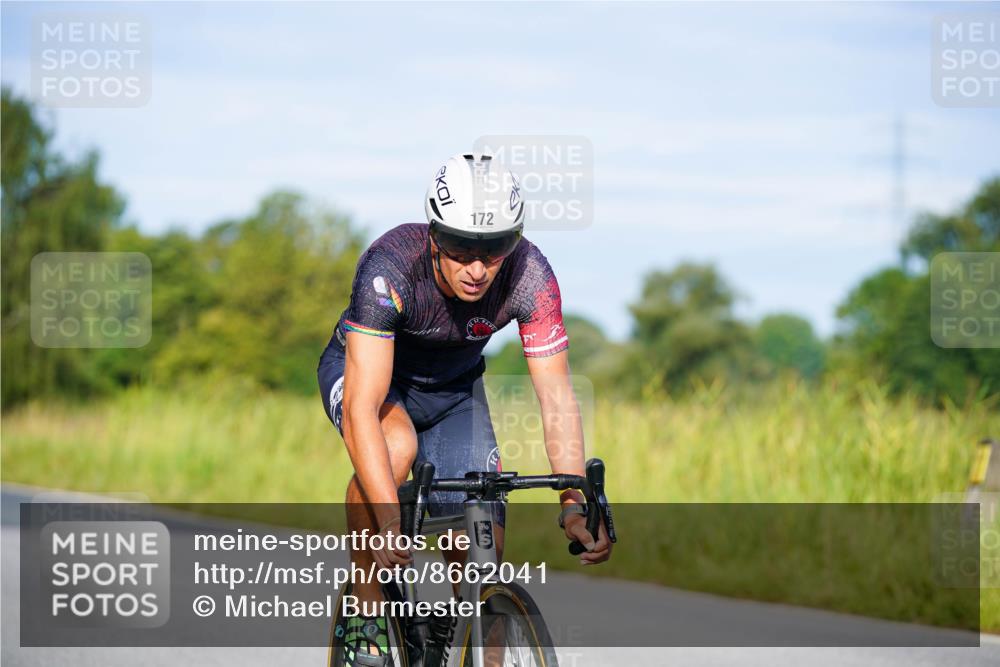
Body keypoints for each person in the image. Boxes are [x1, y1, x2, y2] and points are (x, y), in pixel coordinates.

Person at [317, 153, 611, 663]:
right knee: (398, 447)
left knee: (480, 561)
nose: (477, 268)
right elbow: (363, 409)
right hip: (371, 380)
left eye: (495, 247)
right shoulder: (390, 266)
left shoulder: (529, 276)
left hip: (454, 393)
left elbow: (557, 399)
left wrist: (572, 503)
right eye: (459, 246)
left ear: (514, 240)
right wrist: (388, 521)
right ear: (434, 235)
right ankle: (366, 612)